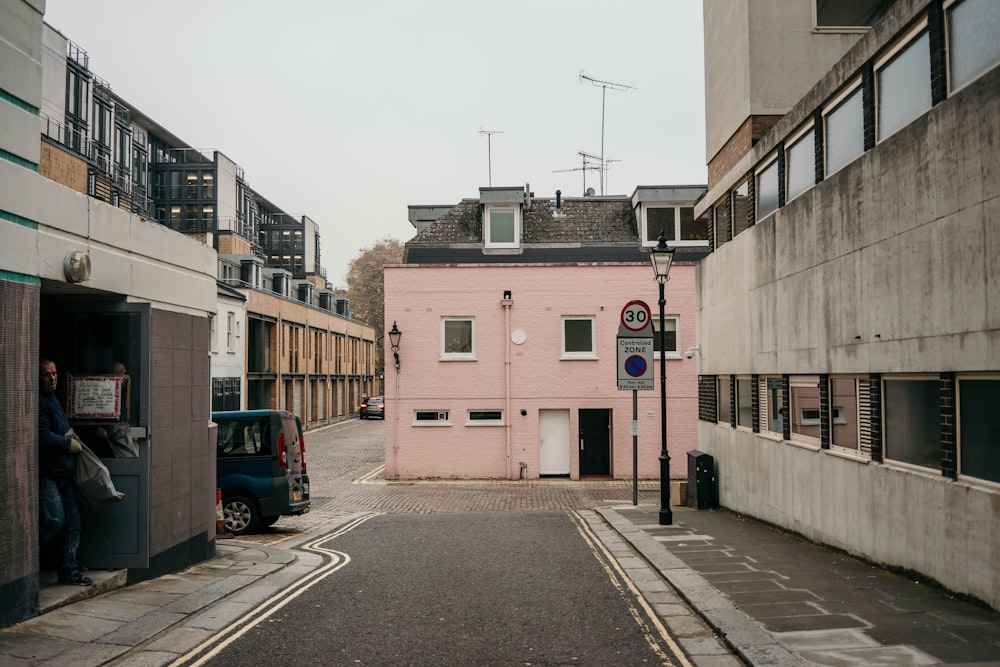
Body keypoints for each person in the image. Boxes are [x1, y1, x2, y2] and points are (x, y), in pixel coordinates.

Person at [38, 358, 92, 586]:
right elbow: (42, 435)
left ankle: (68, 569)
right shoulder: (40, 402)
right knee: (55, 520)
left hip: (64, 473)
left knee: (72, 522)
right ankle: (29, 559)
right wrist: (66, 445)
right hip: (49, 474)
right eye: (47, 375)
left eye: (55, 373)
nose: (52, 379)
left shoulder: (53, 399)